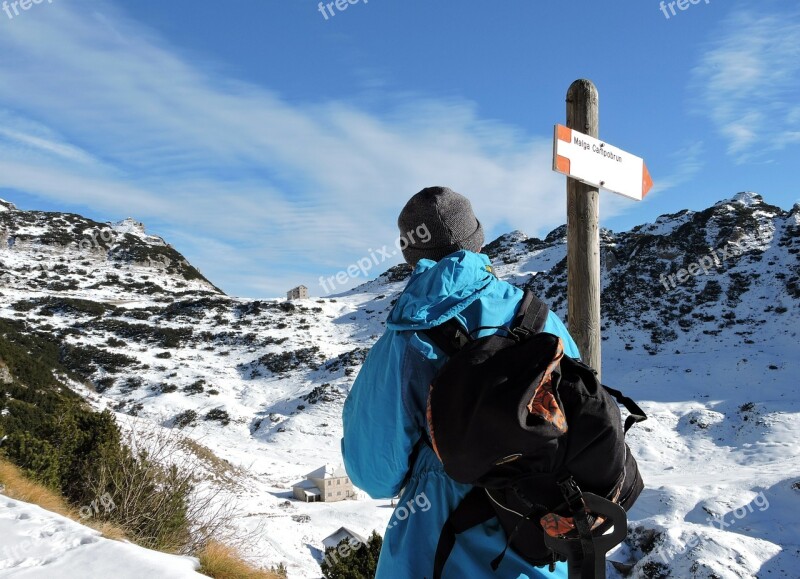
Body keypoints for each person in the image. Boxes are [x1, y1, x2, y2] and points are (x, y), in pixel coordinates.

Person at [341, 186, 579, 578]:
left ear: (409, 253)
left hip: (436, 544)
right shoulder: (542, 319)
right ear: (477, 240)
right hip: (541, 536)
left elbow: (373, 472)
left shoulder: (404, 339)